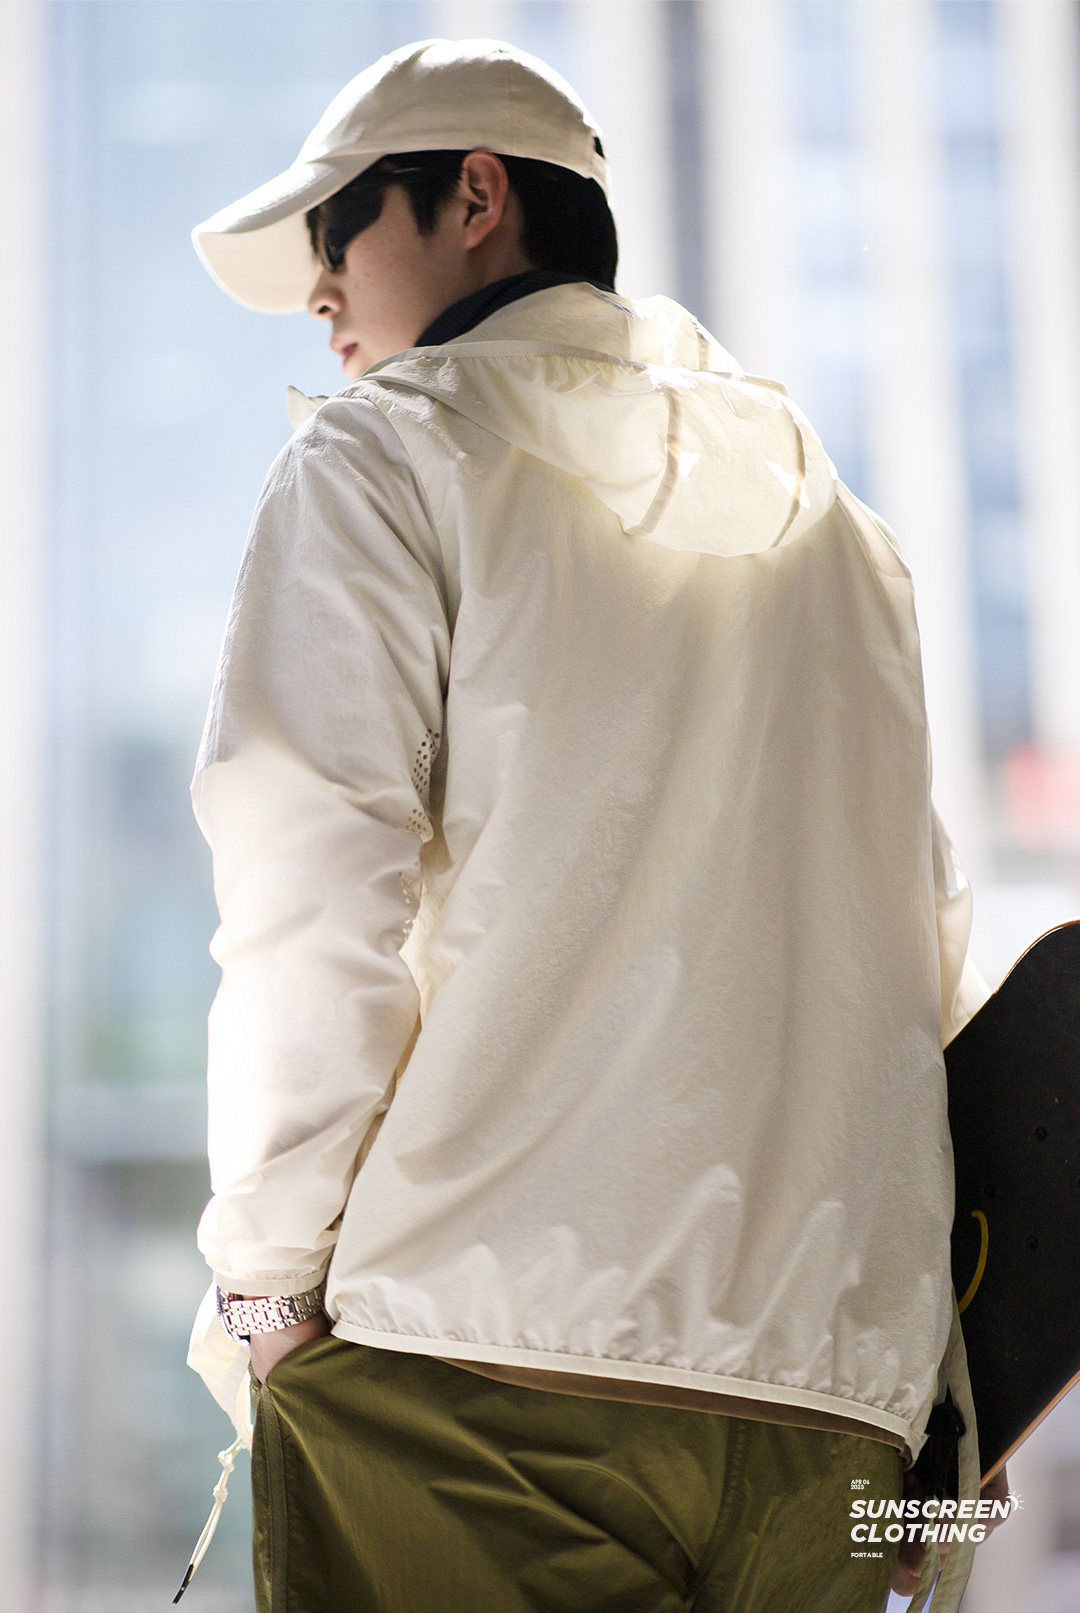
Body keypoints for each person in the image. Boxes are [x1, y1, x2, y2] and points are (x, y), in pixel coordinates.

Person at [182, 35, 1007, 1613]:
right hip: (836, 1419)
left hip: (477, 1383)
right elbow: (925, 953)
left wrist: (267, 1284)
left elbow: (306, 889)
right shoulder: (839, 528)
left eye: (338, 234)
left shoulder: (384, 454)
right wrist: (934, 1415)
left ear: (475, 195)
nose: (320, 297)